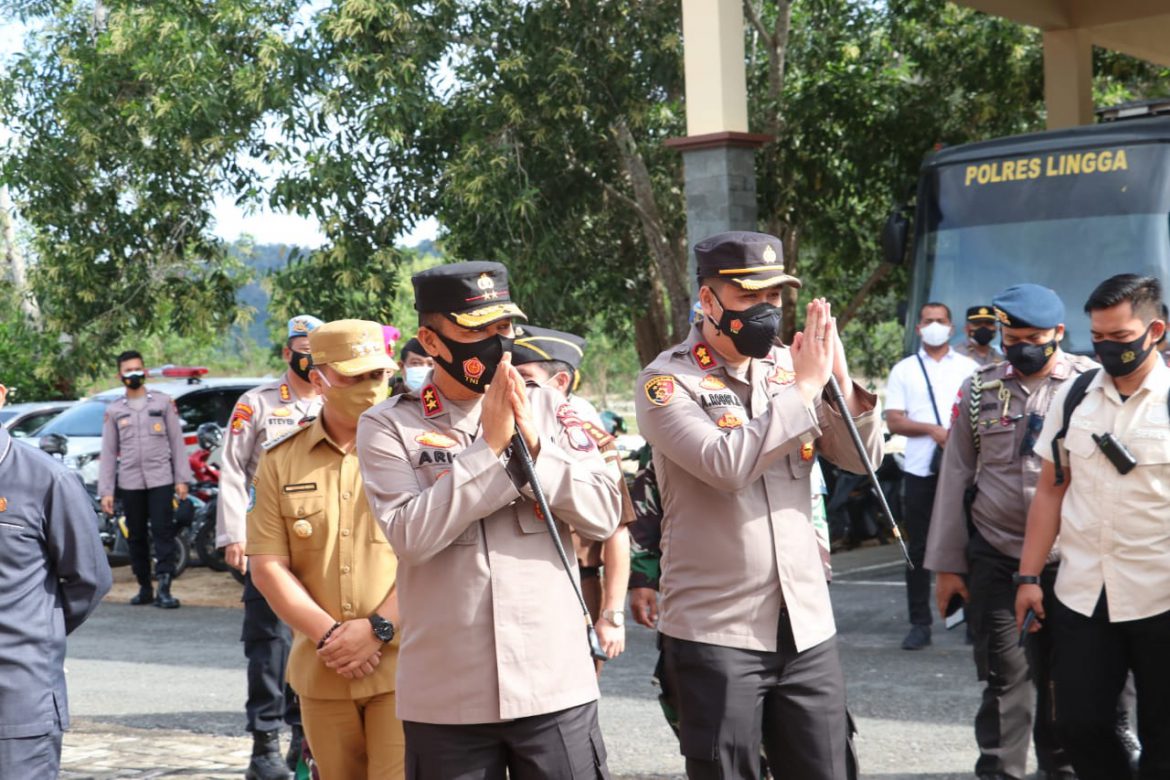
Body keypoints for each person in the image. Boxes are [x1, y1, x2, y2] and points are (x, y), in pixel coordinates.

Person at [357, 261, 620, 778]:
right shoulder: (388, 425)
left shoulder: (551, 408)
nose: (495, 343)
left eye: (503, 328)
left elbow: (605, 514)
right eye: (475, 329)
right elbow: (410, 536)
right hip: (448, 693)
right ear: (430, 341)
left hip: (552, 685)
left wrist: (537, 449)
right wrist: (491, 448)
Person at [635, 231, 882, 780]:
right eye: (750, 298)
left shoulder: (788, 369)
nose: (766, 312)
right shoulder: (667, 382)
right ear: (708, 301)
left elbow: (860, 461)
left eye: (774, 299)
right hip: (718, 632)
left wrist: (837, 381)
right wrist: (805, 390)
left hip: (805, 624)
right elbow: (725, 466)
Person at [926, 284, 1094, 780]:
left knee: (1068, 685)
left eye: (1032, 337)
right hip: (997, 557)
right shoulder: (979, 389)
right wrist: (948, 567)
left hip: (1074, 561)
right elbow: (955, 475)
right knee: (1004, 684)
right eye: (1011, 335)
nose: (1019, 346)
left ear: (1058, 334)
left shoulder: (1089, 386)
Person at [1016, 273, 1170, 779]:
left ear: (1157, 331)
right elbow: (1050, 489)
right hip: (1084, 592)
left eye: (1121, 338)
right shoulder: (1077, 393)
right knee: (1078, 725)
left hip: (1161, 594)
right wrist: (1028, 577)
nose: (1108, 349)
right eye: (1098, 338)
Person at [248, 319, 402, 780]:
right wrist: (332, 637)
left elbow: (438, 558)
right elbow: (268, 566)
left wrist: (377, 628)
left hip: (404, 667)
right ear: (319, 379)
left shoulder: (416, 452)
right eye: (354, 377)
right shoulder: (280, 461)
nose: (370, 388)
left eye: (378, 375)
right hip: (324, 668)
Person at [216, 314, 323, 779]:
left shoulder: (340, 399)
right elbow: (233, 469)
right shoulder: (257, 403)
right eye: (301, 346)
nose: (308, 355)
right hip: (268, 540)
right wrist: (233, 534)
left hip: (322, 544)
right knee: (268, 644)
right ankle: (264, 744)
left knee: (319, 638)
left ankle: (305, 739)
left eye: (315, 347)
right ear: (286, 352)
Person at [0, 382, 112, 778]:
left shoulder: (48, 481)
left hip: (17, 699)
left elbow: (89, 579)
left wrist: (33, 631)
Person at [511, 324, 635, 668]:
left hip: (576, 586)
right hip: (512, 585)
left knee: (574, 701)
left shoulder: (593, 440)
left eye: (525, 376)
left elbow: (617, 530)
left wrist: (612, 615)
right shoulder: (495, 427)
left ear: (560, 383)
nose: (515, 385)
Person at [885, 303, 978, 650]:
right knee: (919, 548)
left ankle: (969, 619)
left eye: (940, 321)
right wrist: (931, 430)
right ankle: (920, 624)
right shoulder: (904, 370)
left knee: (968, 543)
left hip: (962, 471)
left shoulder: (970, 369)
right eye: (928, 321)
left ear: (951, 327)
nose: (934, 326)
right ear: (918, 328)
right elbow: (894, 420)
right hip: (920, 469)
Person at [98, 350, 192, 610]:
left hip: (161, 479)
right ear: (120, 376)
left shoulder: (162, 404)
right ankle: (144, 587)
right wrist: (106, 490)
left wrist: (181, 479)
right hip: (130, 483)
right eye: (128, 371)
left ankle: (165, 587)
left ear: (145, 371)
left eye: (137, 369)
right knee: (136, 536)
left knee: (163, 533)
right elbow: (108, 453)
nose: (134, 374)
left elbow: (177, 443)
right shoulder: (115, 410)